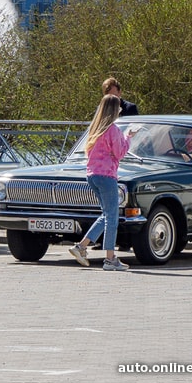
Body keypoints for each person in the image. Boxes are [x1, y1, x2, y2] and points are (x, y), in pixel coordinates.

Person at [69, 94, 131, 271]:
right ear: (114, 110)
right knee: (112, 218)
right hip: (107, 176)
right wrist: (128, 138)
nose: (120, 111)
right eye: (119, 108)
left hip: (93, 175)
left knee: (106, 214)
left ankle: (81, 247)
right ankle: (110, 259)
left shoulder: (95, 129)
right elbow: (119, 153)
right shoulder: (113, 130)